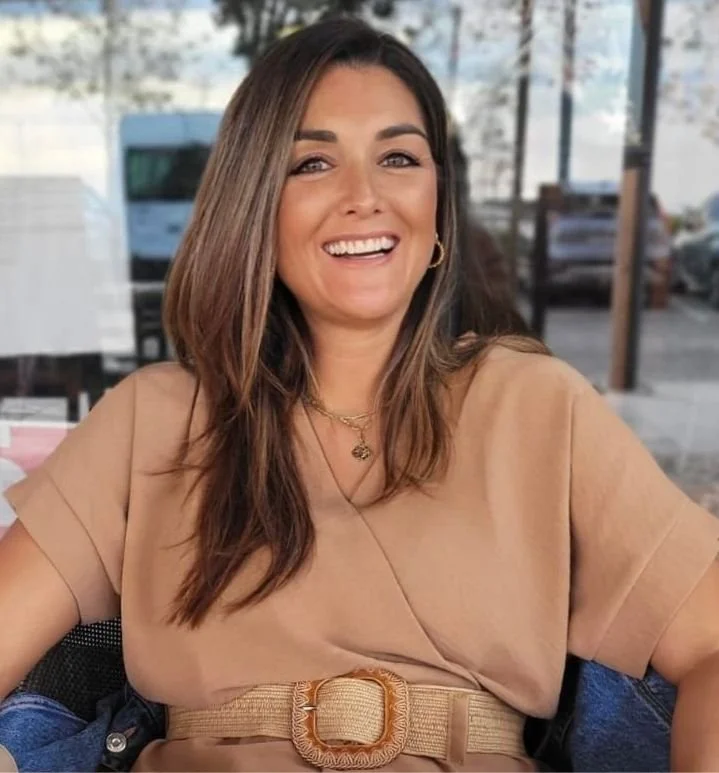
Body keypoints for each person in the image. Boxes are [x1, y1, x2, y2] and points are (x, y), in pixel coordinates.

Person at [1, 16, 719, 773]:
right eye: (312, 163)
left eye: (398, 157)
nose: (364, 196)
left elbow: (710, 641)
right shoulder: (154, 417)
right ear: (255, 206)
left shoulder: (536, 407)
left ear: (438, 204)